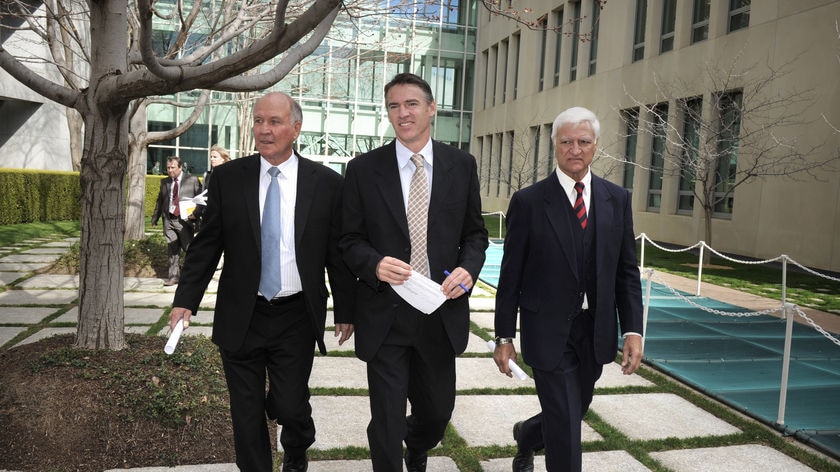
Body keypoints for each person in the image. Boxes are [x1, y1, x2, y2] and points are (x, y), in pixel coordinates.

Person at [168, 92, 356, 472]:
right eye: (258, 121)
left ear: (296, 129)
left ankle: (298, 445)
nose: (264, 130)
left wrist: (346, 309)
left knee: (289, 405)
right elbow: (208, 245)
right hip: (243, 312)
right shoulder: (227, 178)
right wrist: (184, 299)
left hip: (296, 315)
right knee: (246, 411)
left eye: (274, 122)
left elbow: (336, 254)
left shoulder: (326, 183)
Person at [340, 73, 488, 472]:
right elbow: (348, 239)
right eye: (393, 106)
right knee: (386, 421)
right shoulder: (362, 169)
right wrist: (374, 263)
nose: (402, 113)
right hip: (384, 313)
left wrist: (468, 270)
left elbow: (475, 235)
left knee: (437, 415)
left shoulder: (462, 165)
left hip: (440, 312)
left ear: (431, 108)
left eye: (411, 104)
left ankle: (417, 444)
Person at [493, 106, 644, 472]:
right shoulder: (529, 202)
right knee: (566, 428)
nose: (574, 149)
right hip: (547, 331)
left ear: (596, 146)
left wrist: (634, 330)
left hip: (596, 333)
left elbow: (626, 271)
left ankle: (528, 434)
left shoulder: (617, 199)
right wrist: (502, 336)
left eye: (583, 141)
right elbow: (510, 276)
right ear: (554, 145)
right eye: (566, 141)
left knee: (570, 412)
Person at [151, 156, 202, 286]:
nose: (170, 170)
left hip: (184, 221)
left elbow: (201, 200)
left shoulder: (192, 180)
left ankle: (193, 276)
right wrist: (155, 218)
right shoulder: (165, 182)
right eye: (168, 168)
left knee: (188, 248)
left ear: (180, 167)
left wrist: (195, 213)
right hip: (169, 219)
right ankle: (173, 276)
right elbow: (160, 201)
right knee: (172, 248)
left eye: (173, 167)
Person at [194, 144, 231, 231]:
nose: (212, 159)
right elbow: (203, 193)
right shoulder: (207, 175)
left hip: (224, 215)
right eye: (211, 157)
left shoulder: (229, 174)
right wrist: (197, 212)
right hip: (208, 214)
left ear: (223, 159)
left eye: (215, 157)